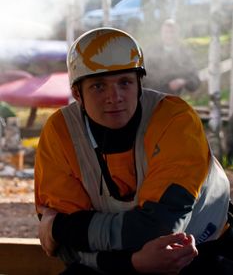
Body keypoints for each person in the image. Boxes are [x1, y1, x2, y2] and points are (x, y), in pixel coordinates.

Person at [35, 27, 232, 274]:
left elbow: (159, 227)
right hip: (113, 262)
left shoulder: (175, 121)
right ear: (77, 93)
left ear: (139, 84)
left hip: (202, 251)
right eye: (98, 86)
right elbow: (62, 247)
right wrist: (131, 263)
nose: (114, 96)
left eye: (125, 82)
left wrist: (58, 228)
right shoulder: (60, 133)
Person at [143, 19, 200, 95]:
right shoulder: (151, 52)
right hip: (154, 99)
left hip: (175, 101)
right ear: (161, 33)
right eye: (166, 32)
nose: (169, 35)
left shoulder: (184, 54)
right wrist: (167, 87)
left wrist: (184, 81)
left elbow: (195, 80)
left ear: (178, 34)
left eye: (172, 32)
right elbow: (144, 80)